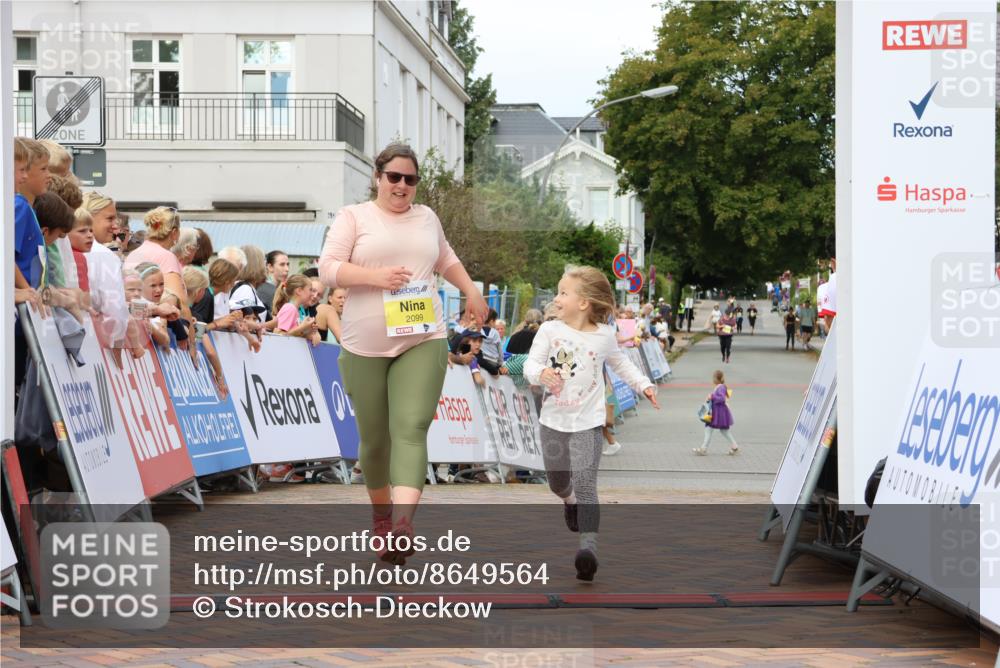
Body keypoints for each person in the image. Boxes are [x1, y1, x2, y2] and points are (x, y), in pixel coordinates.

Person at [318, 142, 488, 565]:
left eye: (410, 179)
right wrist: (375, 277)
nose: (401, 186)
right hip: (364, 345)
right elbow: (328, 268)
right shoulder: (354, 217)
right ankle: (381, 517)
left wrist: (470, 289)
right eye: (394, 177)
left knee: (412, 427)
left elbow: (445, 258)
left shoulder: (427, 217)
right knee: (375, 441)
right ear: (378, 177)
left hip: (423, 337)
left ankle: (403, 524)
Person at [524, 266, 659, 581]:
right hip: (554, 420)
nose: (556, 299)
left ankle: (588, 548)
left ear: (583, 302)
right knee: (558, 483)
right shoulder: (549, 331)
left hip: (588, 421)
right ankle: (568, 501)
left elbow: (621, 363)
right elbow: (532, 362)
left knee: (586, 484)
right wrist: (539, 373)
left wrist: (644, 385)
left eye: (563, 293)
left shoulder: (603, 336)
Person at [693, 370, 739, 456]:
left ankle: (703, 449)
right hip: (720, 412)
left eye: (713, 378)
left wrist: (712, 396)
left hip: (718, 413)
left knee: (710, 429)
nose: (712, 380)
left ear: (716, 378)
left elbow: (721, 399)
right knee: (723, 430)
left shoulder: (720, 387)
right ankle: (734, 446)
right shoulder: (721, 386)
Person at [272, 274, 321, 345]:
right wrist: (302, 327)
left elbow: (293, 333)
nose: (312, 294)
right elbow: (278, 335)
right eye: (310, 290)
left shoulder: (299, 310)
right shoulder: (289, 308)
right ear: (299, 291)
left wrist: (310, 332)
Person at [256, 250, 290, 319]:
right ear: (270, 267)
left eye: (287, 264)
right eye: (282, 264)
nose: (287, 269)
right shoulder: (264, 289)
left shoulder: (281, 289)